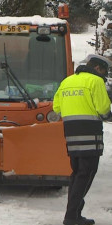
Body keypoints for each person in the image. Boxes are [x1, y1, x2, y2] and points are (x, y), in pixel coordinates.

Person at [53, 54, 112, 225]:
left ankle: (75, 213)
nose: (104, 75)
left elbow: (56, 107)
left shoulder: (67, 81)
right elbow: (103, 108)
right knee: (86, 174)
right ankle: (71, 215)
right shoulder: (95, 81)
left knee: (77, 173)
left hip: (71, 134)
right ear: (97, 68)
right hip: (89, 134)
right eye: (104, 71)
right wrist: (107, 115)